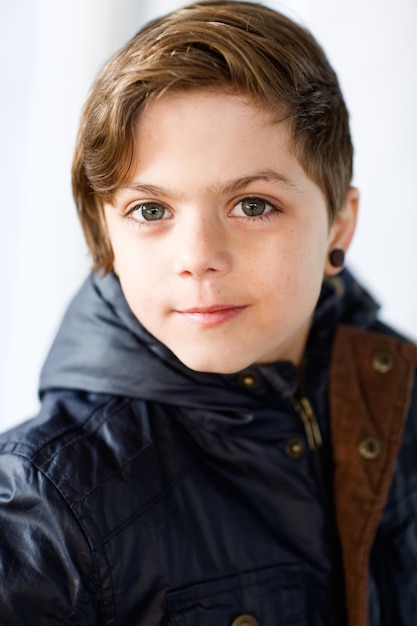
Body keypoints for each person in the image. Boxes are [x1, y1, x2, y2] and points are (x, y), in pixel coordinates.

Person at [0, 1, 416, 624]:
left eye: (252, 205)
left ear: (340, 223)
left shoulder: (400, 396)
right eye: (150, 211)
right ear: (106, 235)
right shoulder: (42, 506)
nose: (199, 258)